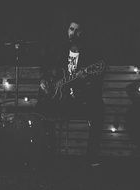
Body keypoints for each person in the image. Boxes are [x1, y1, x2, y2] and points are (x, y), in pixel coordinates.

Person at [36, 16, 106, 166]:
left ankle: (91, 156)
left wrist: (84, 78)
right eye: (71, 29)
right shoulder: (59, 51)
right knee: (40, 107)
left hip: (80, 100)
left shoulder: (90, 53)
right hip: (61, 100)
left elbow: (97, 76)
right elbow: (46, 69)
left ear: (83, 33)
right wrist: (44, 81)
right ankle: (49, 152)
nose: (73, 33)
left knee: (99, 110)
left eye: (78, 30)